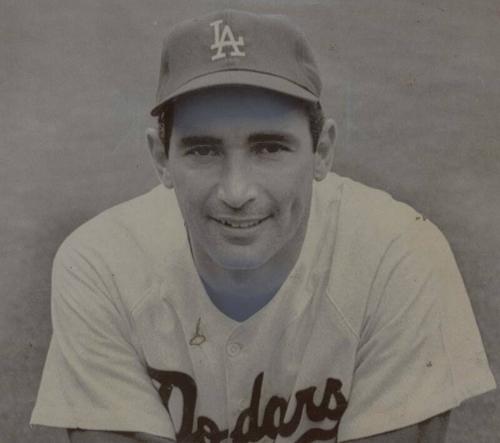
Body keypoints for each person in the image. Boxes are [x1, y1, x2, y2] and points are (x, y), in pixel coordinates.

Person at [30, 9, 495, 443]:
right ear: (160, 158)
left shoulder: (400, 253)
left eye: (269, 148)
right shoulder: (101, 264)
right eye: (203, 150)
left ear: (322, 151)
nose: (236, 191)